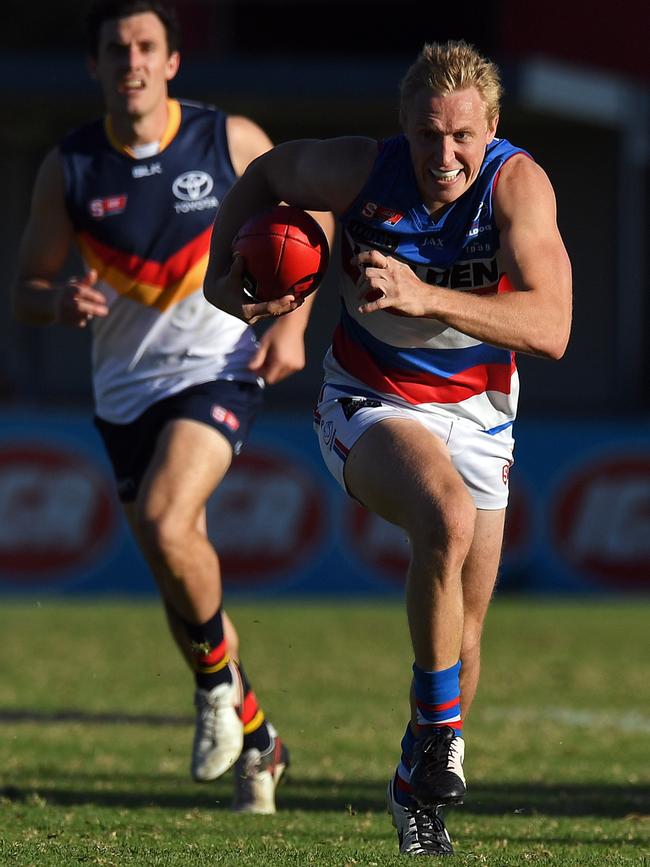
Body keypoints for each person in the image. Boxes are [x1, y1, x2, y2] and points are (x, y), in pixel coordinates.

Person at [203, 39, 572, 854]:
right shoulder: (361, 171)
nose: (443, 155)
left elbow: (552, 328)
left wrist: (423, 292)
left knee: (466, 636)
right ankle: (441, 737)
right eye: (426, 134)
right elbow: (265, 174)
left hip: (480, 412)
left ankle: (414, 782)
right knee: (442, 516)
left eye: (462, 137)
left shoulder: (520, 186)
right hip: (369, 399)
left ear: (493, 127)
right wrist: (219, 280)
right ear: (402, 127)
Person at [11, 0, 332, 815]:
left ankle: (215, 696)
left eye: (147, 46)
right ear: (94, 65)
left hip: (218, 367)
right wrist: (60, 300)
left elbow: (316, 212)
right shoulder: (72, 165)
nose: (132, 62)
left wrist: (292, 324)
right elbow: (27, 290)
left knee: (163, 518)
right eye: (117, 49)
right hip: (124, 394)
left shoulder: (227, 140)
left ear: (173, 61)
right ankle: (258, 735)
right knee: (176, 568)